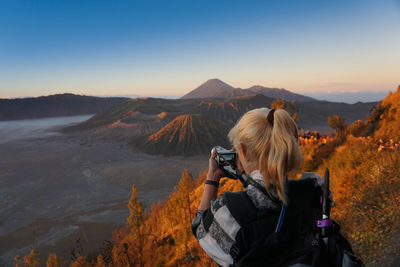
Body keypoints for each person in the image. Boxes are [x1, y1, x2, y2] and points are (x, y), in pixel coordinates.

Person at [191, 107, 305, 266]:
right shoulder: (311, 190)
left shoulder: (231, 211)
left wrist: (213, 176)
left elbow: (199, 228)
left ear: (242, 151)